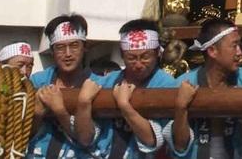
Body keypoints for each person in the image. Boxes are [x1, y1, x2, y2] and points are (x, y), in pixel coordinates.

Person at [168, 19, 242, 159]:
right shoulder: (184, 84)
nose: (240, 52)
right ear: (212, 51)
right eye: (234, 46)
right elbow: (179, 147)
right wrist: (181, 108)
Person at [76, 20, 177, 159]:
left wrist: (125, 106)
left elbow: (151, 140)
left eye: (145, 57)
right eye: (131, 58)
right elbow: (85, 139)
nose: (139, 64)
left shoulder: (168, 85)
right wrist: (83, 103)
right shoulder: (104, 82)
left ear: (157, 53)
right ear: (122, 55)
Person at [28, 13, 100, 159]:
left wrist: (60, 111)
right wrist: (37, 115)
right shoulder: (37, 81)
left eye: (74, 46)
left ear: (85, 47)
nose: (67, 54)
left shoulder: (98, 85)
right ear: (52, 50)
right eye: (60, 47)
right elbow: (19, 134)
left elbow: (87, 140)